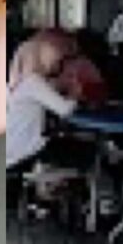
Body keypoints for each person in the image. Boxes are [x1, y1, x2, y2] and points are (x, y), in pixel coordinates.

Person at [7, 36, 83, 174]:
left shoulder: (16, 82)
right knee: (89, 153)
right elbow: (66, 109)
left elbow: (48, 90)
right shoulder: (33, 82)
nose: (55, 66)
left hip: (12, 151)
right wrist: (75, 94)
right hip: (28, 150)